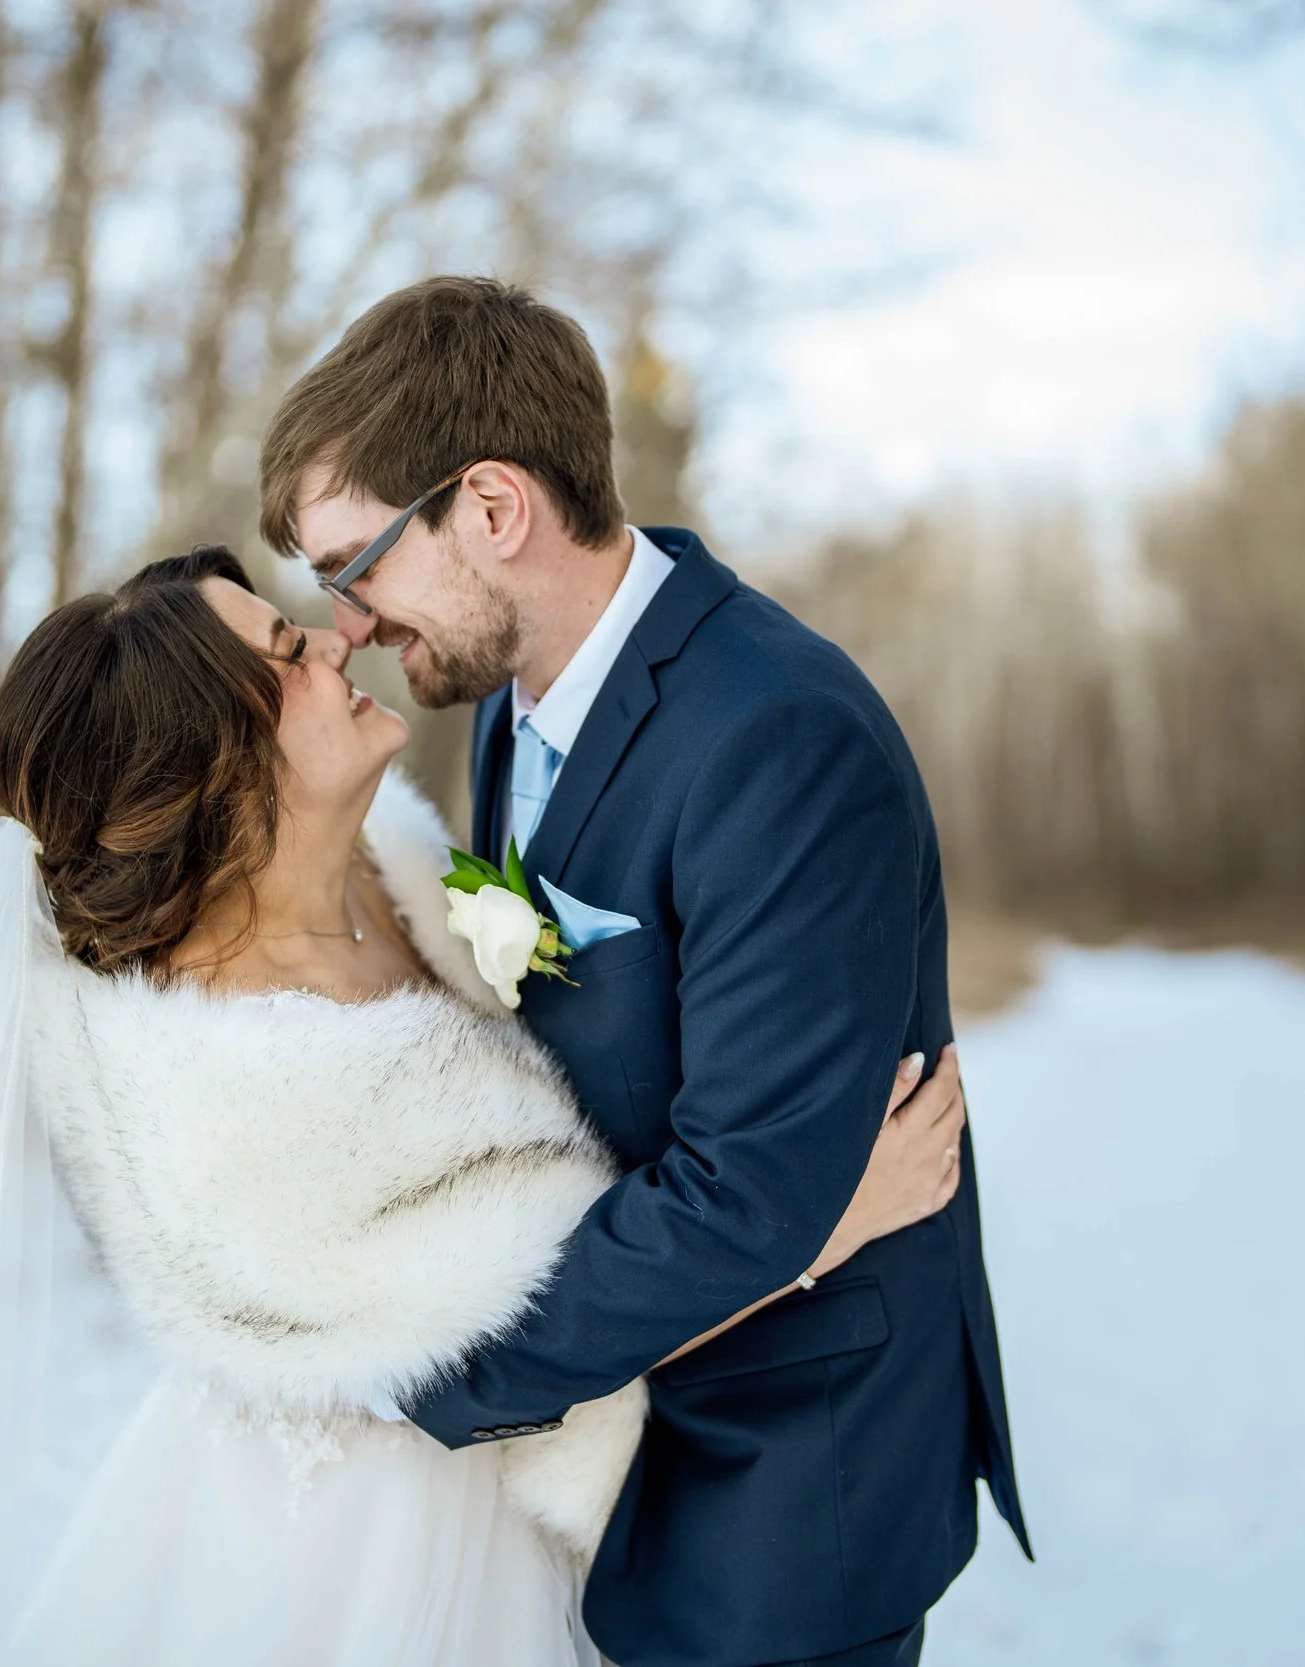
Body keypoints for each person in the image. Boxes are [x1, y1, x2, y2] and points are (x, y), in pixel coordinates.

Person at [0, 544, 965, 1667]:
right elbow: (533, 1324)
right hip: (373, 1551)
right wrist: (822, 1219)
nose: (338, 636)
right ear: (213, 765)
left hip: (514, 1513)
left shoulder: (397, 868)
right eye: (289, 651)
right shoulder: (246, 1094)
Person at [263, 275, 1030, 1667]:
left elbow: (748, 1195)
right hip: (612, 1450)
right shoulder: (507, 701)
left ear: (492, 508)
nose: (353, 622)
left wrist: (430, 1364)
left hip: (784, 1488)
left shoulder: (778, 740)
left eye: (355, 562)